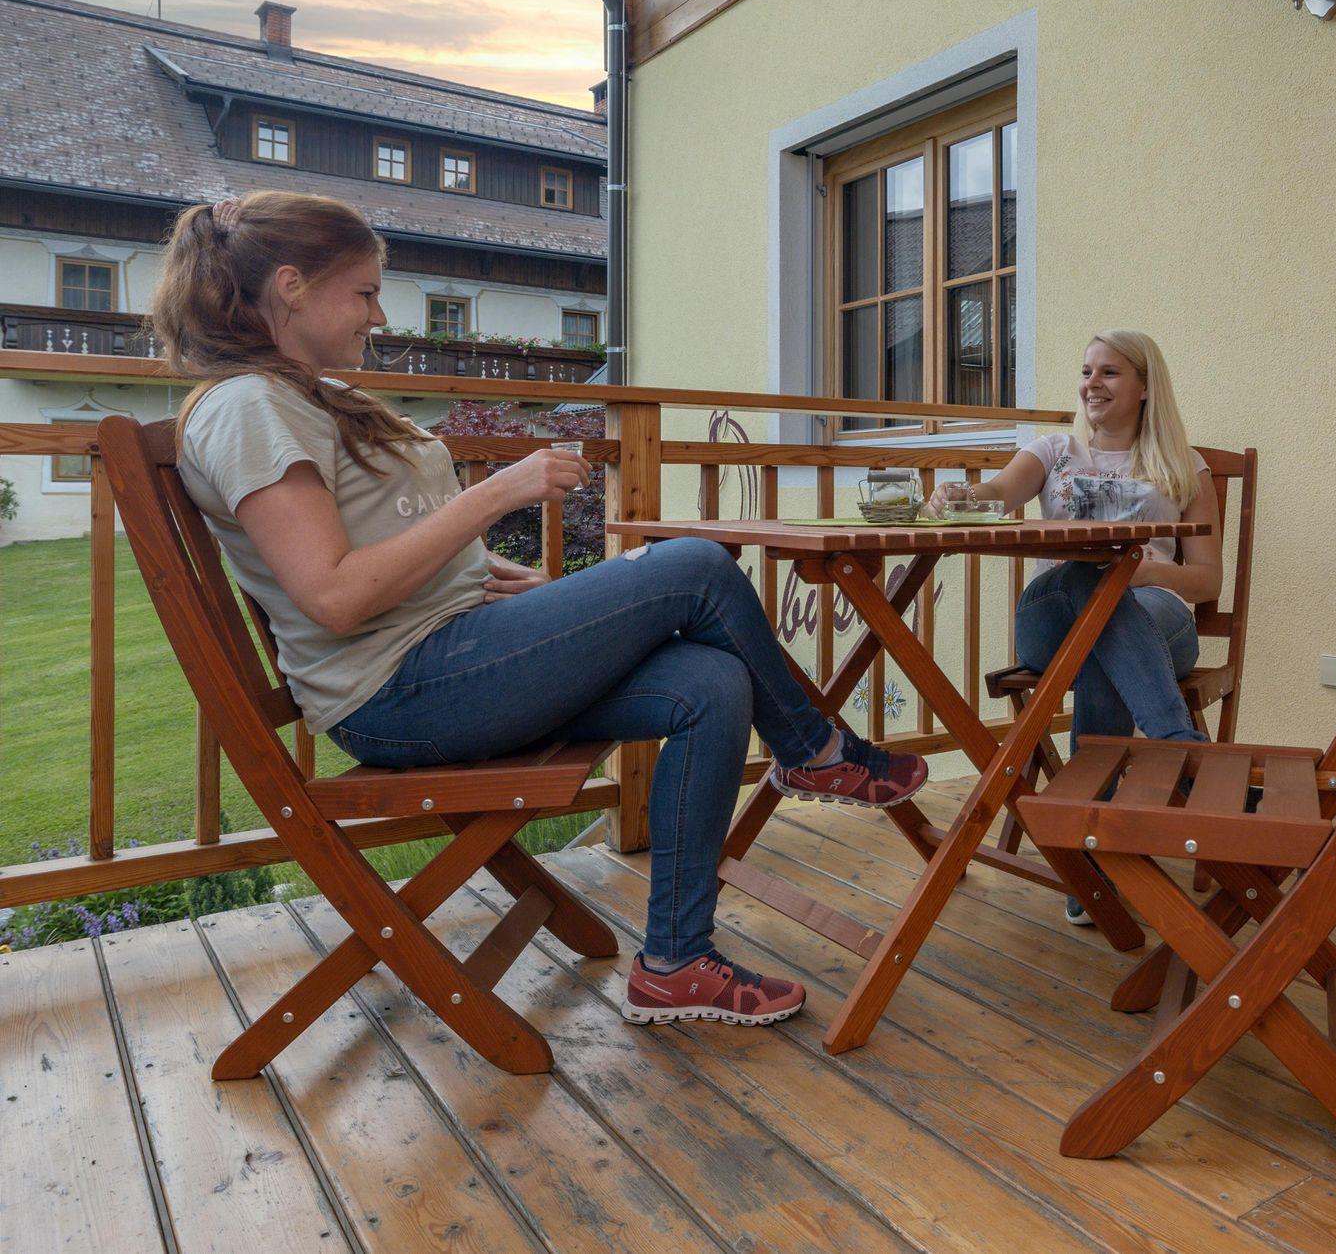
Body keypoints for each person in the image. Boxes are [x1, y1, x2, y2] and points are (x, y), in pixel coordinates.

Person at [154, 191, 926, 1028]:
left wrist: (487, 574)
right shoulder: (250, 408)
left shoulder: (305, 395)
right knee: (696, 566)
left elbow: (372, 534)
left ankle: (675, 962)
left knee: (710, 682)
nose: (378, 314)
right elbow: (334, 595)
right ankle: (813, 751)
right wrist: (496, 494)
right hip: (401, 692)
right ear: (292, 286)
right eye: (365, 292)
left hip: (449, 656)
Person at [928, 329, 1221, 923]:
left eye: (1109, 372)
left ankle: (1093, 860)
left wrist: (1137, 573)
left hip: (1155, 614)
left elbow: (1206, 581)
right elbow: (996, 494)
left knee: (1105, 628)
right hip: (1054, 615)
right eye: (1087, 371)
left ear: (1145, 386)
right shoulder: (1054, 450)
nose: (1092, 384)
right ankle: (1186, 757)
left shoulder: (1186, 467)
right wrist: (962, 494)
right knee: (1091, 582)